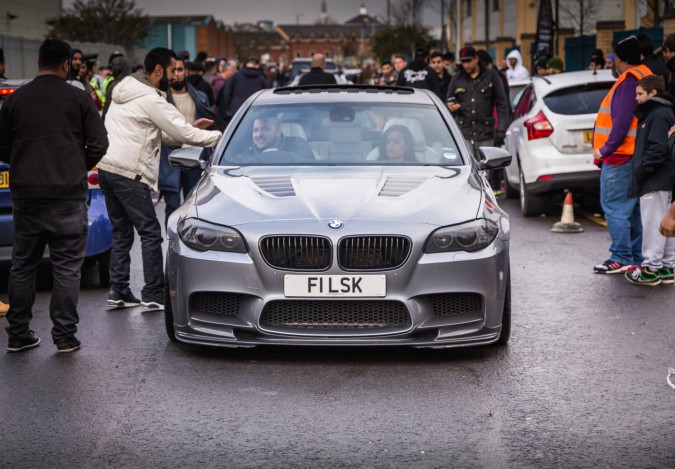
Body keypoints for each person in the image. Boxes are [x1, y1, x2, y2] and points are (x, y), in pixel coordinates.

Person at [0, 38, 108, 353]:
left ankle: (18, 335)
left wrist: (21, 164)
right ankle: (64, 337)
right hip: (67, 198)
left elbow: (3, 146)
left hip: (27, 198)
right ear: (66, 64)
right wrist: (77, 166)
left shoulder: (16, 100)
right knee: (66, 268)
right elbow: (100, 143)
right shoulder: (79, 99)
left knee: (23, 266)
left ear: (37, 62)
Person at [98, 47, 222, 312]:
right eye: (171, 69)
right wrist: (221, 137)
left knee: (121, 233)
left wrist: (190, 130)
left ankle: (118, 290)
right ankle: (153, 293)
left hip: (108, 169)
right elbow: (180, 131)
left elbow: (155, 130)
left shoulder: (126, 89)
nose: (173, 74)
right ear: (158, 71)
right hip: (129, 172)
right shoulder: (150, 98)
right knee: (151, 233)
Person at [593, 36, 653, 274]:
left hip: (619, 155)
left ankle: (621, 256)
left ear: (622, 59)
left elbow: (621, 122)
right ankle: (635, 257)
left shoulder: (628, 81)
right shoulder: (643, 76)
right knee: (631, 209)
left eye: (615, 58)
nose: (614, 63)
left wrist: (605, 149)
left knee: (615, 207)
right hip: (634, 153)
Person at [159, 56, 226, 224]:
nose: (176, 74)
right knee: (172, 207)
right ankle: (172, 243)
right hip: (170, 158)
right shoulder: (160, 99)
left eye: (180, 70)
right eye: (172, 70)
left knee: (194, 206)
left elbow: (209, 122)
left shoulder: (200, 96)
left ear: (186, 71)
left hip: (195, 158)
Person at [624, 75, 675, 285]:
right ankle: (667, 267)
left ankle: (650, 269)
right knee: (666, 222)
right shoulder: (661, 113)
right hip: (663, 177)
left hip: (655, 178)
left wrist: (641, 170)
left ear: (653, 93)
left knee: (654, 222)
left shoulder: (657, 114)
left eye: (640, 94)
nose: (636, 98)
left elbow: (657, 148)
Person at [447, 46, 509, 161]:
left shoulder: (491, 76)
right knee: (468, 169)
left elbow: (502, 104)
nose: (466, 65)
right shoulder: (457, 79)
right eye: (463, 62)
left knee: (485, 171)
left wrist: (501, 129)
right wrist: (452, 106)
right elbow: (449, 99)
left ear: (476, 59)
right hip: (464, 132)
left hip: (485, 132)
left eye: (468, 61)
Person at [218, 57, 268, 124]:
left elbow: (227, 92)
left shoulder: (236, 75)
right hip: (255, 111)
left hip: (235, 110)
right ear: (257, 66)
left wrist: (229, 107)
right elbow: (266, 94)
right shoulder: (261, 78)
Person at [246, 115, 314, 161]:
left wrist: (275, 155)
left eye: (265, 129)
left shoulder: (297, 144)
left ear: (278, 132)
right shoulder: (246, 155)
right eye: (255, 130)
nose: (259, 134)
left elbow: (308, 169)